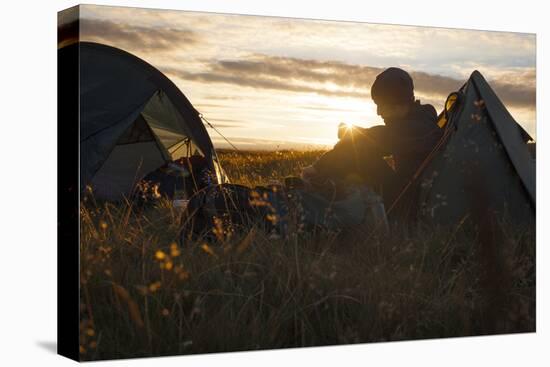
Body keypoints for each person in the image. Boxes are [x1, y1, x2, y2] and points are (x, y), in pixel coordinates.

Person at [301, 67, 443, 213]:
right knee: (357, 153)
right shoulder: (420, 121)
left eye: (382, 106)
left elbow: (373, 139)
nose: (378, 112)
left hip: (411, 208)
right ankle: (323, 191)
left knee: (360, 153)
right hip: (411, 198)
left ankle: (317, 195)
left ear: (398, 105)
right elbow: (383, 136)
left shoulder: (418, 128)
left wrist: (318, 167)